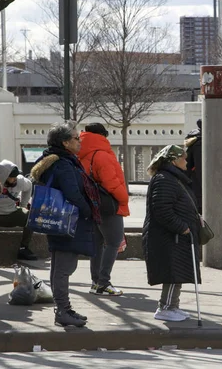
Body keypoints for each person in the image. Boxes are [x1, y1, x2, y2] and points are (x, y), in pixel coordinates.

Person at [30, 121, 100, 327]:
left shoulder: (58, 160)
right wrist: (87, 210)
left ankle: (65, 308)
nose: (79, 142)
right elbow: (73, 193)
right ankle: (62, 310)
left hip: (60, 220)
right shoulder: (62, 163)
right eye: (76, 138)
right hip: (67, 221)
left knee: (60, 266)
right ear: (65, 142)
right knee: (63, 268)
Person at [142, 144, 201, 322]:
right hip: (170, 237)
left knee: (178, 273)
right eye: (183, 157)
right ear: (173, 160)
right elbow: (161, 209)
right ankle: (165, 308)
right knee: (173, 273)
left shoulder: (172, 177)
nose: (186, 160)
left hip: (176, 237)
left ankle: (172, 306)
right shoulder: (165, 179)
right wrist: (182, 227)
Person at [78, 123, 129, 296]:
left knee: (98, 243)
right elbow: (112, 183)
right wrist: (123, 198)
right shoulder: (102, 154)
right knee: (113, 242)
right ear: (102, 135)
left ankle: (95, 282)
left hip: (92, 204)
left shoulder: (81, 154)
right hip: (108, 205)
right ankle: (103, 282)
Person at [0, 160, 37, 262]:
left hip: (12, 212)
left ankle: (24, 248)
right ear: (4, 176)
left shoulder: (20, 181)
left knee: (30, 217)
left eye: (15, 176)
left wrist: (23, 205)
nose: (14, 179)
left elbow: (29, 186)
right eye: (11, 177)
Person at [184, 119, 202, 213]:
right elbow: (201, 171)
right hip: (199, 189)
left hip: (194, 186)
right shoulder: (200, 144)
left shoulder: (195, 140)